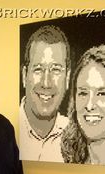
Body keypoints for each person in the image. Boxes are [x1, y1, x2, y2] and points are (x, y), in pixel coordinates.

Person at [20, 24, 71, 162]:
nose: (46, 83)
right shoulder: (4, 131)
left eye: (56, 69)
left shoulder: (77, 138)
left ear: (67, 78)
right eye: (38, 69)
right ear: (25, 76)